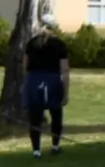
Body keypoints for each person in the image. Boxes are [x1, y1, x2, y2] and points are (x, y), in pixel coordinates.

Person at [22, 24, 72, 154]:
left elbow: (25, 65)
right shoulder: (59, 44)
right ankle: (55, 146)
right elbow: (64, 69)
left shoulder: (32, 43)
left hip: (34, 80)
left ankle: (36, 150)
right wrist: (66, 93)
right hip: (53, 81)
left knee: (35, 117)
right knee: (56, 115)